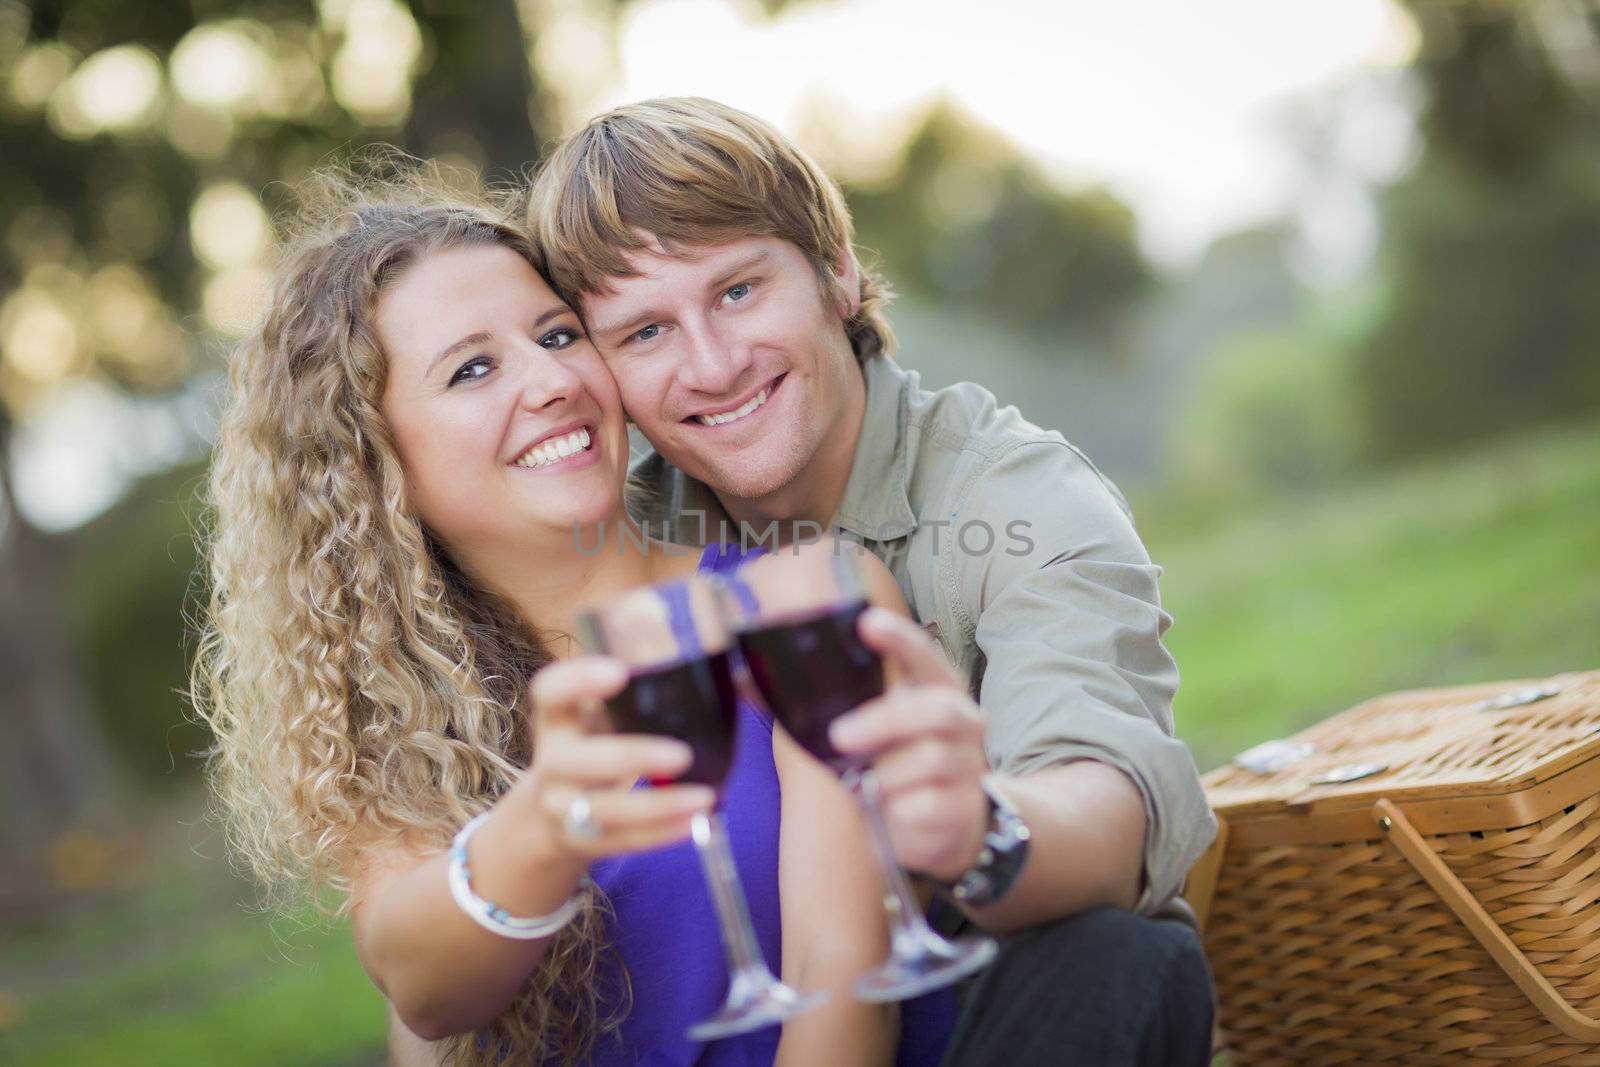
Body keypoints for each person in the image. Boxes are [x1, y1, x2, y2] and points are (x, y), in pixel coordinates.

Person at [527, 97, 1220, 1065]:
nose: (713, 365)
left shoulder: (1017, 497)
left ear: (837, 271)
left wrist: (976, 826)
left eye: (736, 290)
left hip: (991, 1011)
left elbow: (1106, 798)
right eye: (644, 332)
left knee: (1116, 957)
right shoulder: (619, 542)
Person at [191, 166, 911, 1067]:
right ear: (376, 466)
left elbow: (845, 983)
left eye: (559, 334)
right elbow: (428, 996)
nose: (553, 380)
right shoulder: (406, 726)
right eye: (475, 368)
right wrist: (549, 820)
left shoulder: (801, 597)